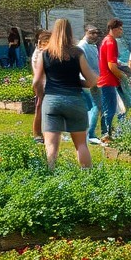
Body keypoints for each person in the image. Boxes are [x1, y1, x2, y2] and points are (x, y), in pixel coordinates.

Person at [32, 18, 98, 171]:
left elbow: (36, 82)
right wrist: (79, 83)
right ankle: (88, 176)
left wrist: (41, 96)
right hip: (74, 99)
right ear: (70, 31)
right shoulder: (77, 53)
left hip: (52, 101)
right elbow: (92, 80)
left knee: (51, 145)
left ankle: (49, 174)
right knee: (81, 144)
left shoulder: (45, 53)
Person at [97, 19, 129, 137]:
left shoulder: (105, 40)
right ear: (114, 29)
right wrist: (124, 77)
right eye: (120, 28)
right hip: (108, 80)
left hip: (107, 80)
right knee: (111, 109)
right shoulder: (111, 42)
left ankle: (106, 133)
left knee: (110, 108)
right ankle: (107, 134)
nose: (121, 31)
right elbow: (111, 65)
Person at [79, 26, 103, 145]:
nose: (94, 36)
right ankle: (90, 134)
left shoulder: (92, 46)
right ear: (86, 32)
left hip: (96, 80)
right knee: (95, 106)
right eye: (91, 33)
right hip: (87, 81)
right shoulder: (82, 46)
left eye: (96, 33)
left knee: (97, 106)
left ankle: (92, 132)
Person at [30, 29, 51, 141]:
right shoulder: (38, 54)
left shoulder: (44, 53)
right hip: (42, 85)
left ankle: (46, 132)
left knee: (46, 109)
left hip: (47, 84)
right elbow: (37, 73)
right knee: (39, 107)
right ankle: (37, 134)